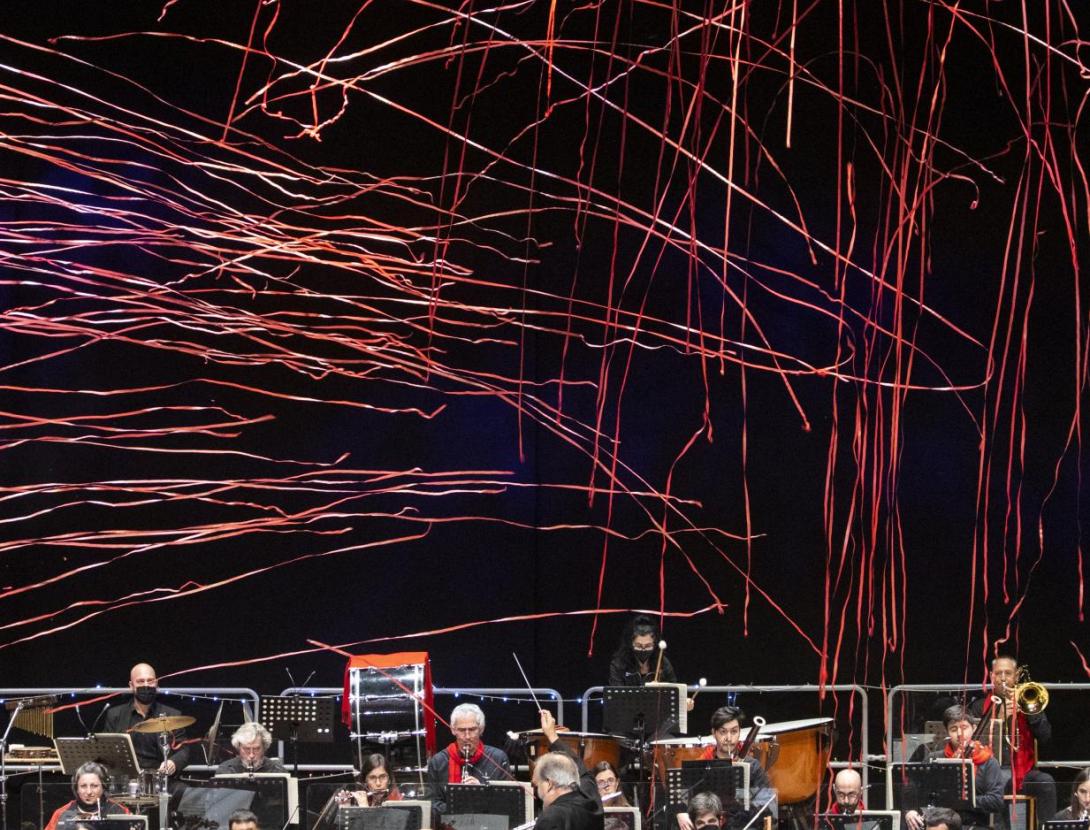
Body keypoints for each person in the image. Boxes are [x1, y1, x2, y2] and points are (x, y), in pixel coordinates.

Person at [970, 655, 1057, 822]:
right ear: (991, 676)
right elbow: (975, 743)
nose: (1003, 678)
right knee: (1003, 781)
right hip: (991, 771)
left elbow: (1045, 737)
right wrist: (1000, 719)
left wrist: (1030, 711)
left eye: (1008, 673)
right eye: (998, 673)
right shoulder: (979, 706)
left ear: (1016, 676)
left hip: (1023, 772)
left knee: (1046, 782)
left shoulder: (1028, 700)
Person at [904, 705, 1004, 830]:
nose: (959, 734)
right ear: (947, 732)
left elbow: (996, 800)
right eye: (953, 729)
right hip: (938, 824)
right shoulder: (933, 758)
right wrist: (910, 810)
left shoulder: (988, 762)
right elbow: (912, 789)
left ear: (974, 729)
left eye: (964, 728)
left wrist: (963, 801)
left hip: (973, 824)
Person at [675, 706, 775, 830]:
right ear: (714, 733)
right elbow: (681, 795)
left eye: (734, 731)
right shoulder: (702, 764)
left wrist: (742, 810)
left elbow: (767, 804)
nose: (729, 738)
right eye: (723, 732)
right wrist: (680, 812)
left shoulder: (752, 766)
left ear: (739, 732)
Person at [101, 663, 190, 774]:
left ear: (156, 683)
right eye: (141, 681)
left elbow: (184, 749)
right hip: (127, 778)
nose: (146, 685)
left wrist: (173, 762)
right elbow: (106, 749)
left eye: (150, 681)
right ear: (131, 685)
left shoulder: (172, 714)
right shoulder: (115, 714)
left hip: (161, 777)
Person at [425, 703, 512, 814]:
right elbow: (431, 804)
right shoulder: (438, 762)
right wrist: (458, 807)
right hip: (450, 822)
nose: (467, 736)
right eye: (461, 730)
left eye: (472, 729)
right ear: (453, 730)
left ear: (481, 729)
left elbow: (508, 801)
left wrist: (482, 792)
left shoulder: (498, 758)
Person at [533, 709, 604, 830]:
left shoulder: (550, 818)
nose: (538, 793)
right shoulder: (593, 804)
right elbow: (583, 773)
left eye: (538, 785)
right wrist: (552, 736)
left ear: (549, 784)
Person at [44, 762, 130, 830]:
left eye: (94, 786)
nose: (89, 792)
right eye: (83, 786)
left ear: (104, 787)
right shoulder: (61, 813)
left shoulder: (119, 811)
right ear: (76, 788)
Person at [608, 615, 678, 686]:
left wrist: (659, 689)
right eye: (639, 646)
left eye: (648, 646)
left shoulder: (663, 663)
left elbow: (674, 688)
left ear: (655, 644)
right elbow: (616, 691)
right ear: (630, 643)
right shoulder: (618, 665)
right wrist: (647, 690)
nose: (643, 650)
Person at [216, 722, 286, 774]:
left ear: (264, 748)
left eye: (256, 749)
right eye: (246, 749)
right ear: (238, 747)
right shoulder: (225, 770)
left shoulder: (278, 771)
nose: (251, 755)